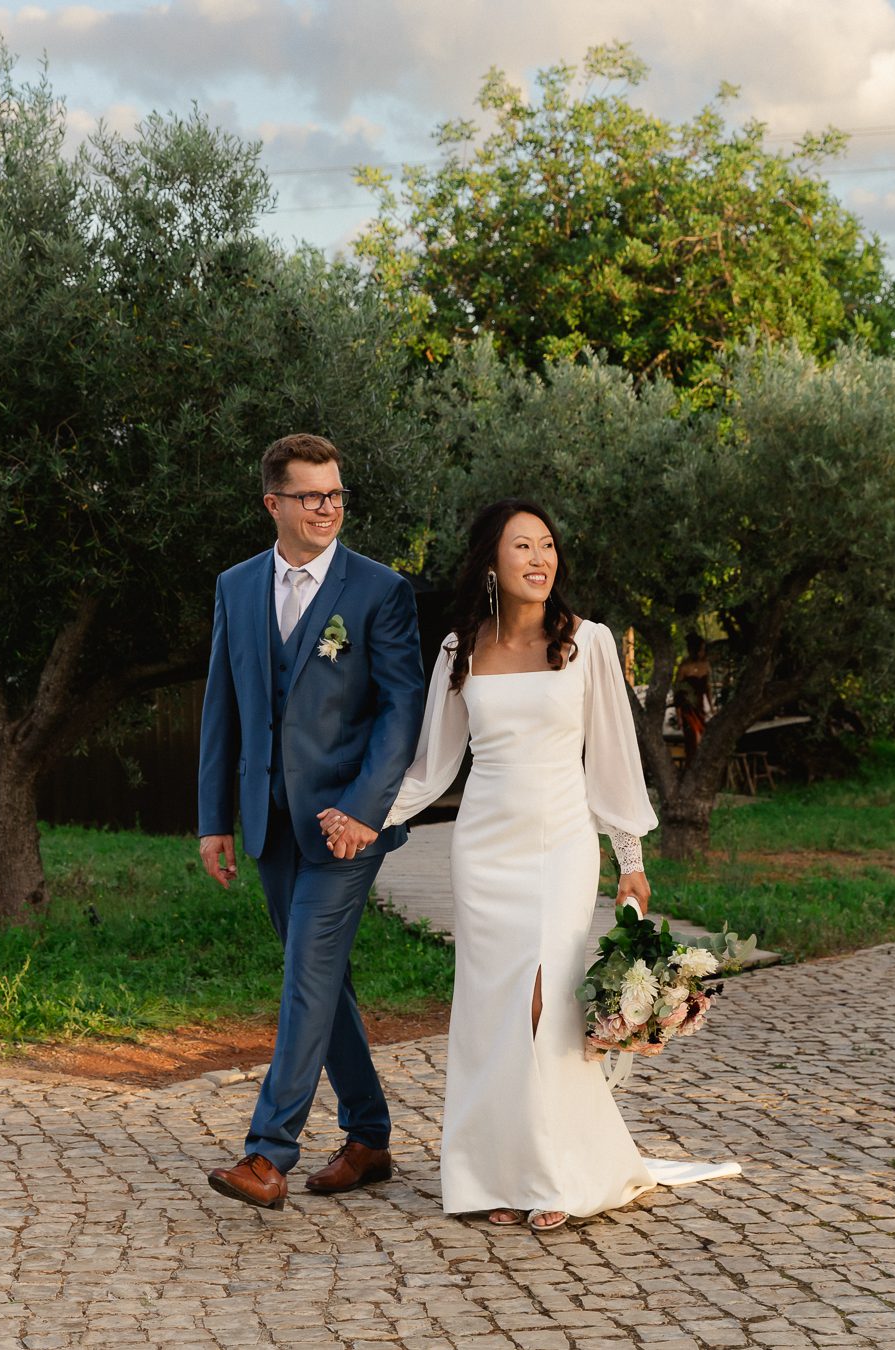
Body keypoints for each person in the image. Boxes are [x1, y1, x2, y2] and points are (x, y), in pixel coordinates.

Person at [323, 500, 740, 1232]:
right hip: (483, 848)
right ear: (492, 561)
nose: (540, 558)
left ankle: (556, 1175)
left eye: (547, 545)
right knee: (489, 1011)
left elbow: (612, 756)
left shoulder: (589, 643)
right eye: (523, 546)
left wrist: (630, 860)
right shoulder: (459, 650)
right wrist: (368, 817)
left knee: (546, 1002)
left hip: (559, 846)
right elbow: (433, 766)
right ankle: (495, 1176)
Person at [198, 433, 425, 1211]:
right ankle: (368, 1137)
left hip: (344, 826)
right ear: (274, 503)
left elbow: (402, 712)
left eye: (336, 495)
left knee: (305, 975)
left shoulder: (378, 590)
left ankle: (268, 1155)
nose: (327, 508)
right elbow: (222, 707)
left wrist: (366, 813)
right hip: (267, 820)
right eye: (310, 496)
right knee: (324, 982)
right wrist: (213, 819)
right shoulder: (235, 586)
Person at [673, 632, 714, 764]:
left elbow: (707, 688)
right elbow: (678, 693)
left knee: (702, 736)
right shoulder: (684, 667)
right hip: (687, 708)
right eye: (701, 649)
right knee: (693, 738)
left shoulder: (706, 665)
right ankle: (691, 764)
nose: (703, 652)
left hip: (700, 706)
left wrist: (712, 708)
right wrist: (679, 716)